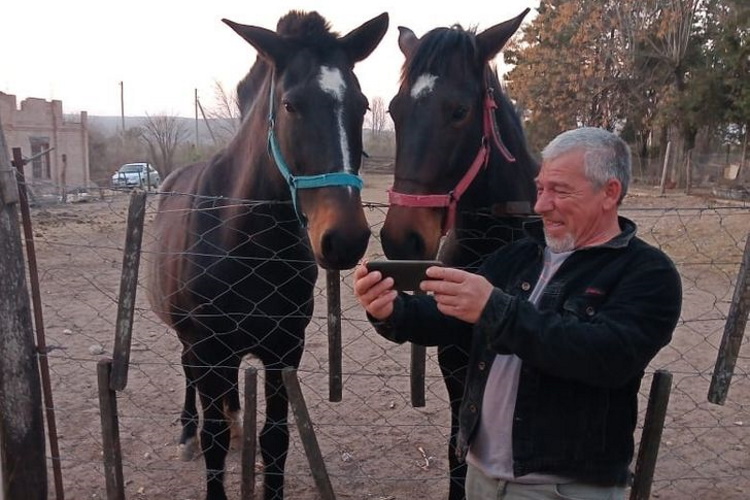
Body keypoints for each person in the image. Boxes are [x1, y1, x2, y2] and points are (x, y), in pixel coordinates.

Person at [353, 127, 682, 500]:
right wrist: (391, 310)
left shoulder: (647, 273)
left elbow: (608, 356)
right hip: (480, 478)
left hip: (565, 489)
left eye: (559, 190)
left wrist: (496, 309)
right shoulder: (518, 256)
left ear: (610, 193)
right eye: (540, 189)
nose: (541, 204)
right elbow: (449, 318)